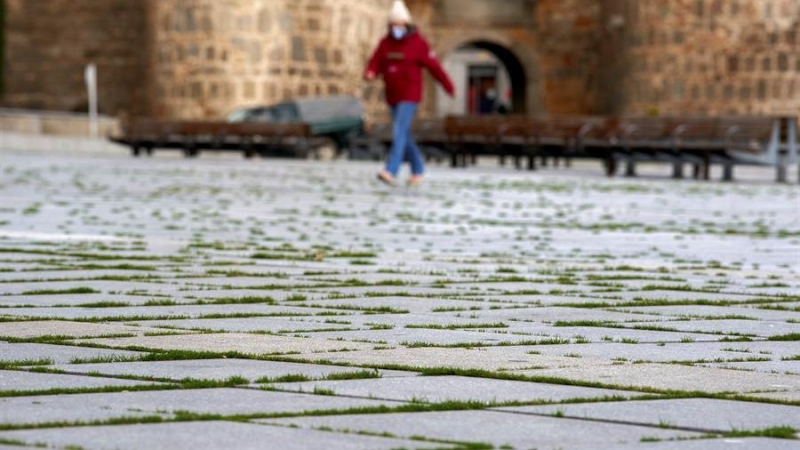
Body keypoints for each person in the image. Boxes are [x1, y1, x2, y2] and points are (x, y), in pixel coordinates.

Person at [364, 0, 455, 187]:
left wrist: (448, 86)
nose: (396, 28)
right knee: (404, 133)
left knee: (399, 130)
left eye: (400, 25)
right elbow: (375, 61)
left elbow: (434, 66)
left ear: (406, 25)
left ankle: (391, 170)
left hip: (410, 95)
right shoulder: (386, 43)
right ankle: (418, 169)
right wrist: (370, 72)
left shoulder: (418, 44)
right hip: (393, 94)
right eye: (393, 25)